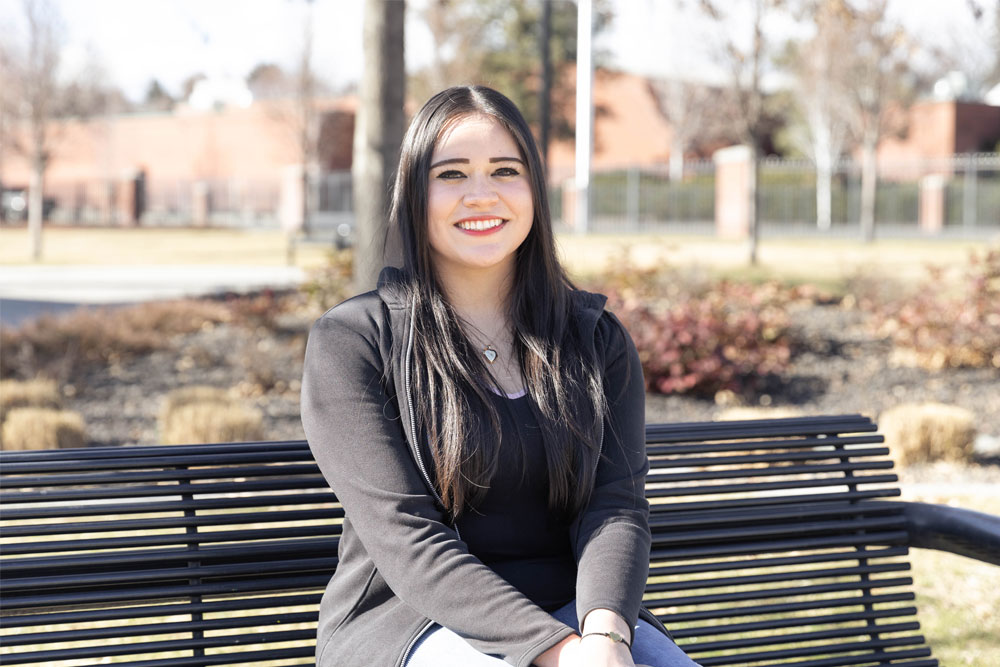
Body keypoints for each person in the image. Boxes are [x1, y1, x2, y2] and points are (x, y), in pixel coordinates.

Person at [301, 85, 701, 667]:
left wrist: (607, 636)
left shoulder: (594, 339)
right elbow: (406, 535)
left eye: (505, 170)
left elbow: (615, 506)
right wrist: (557, 653)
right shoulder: (355, 343)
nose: (481, 195)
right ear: (414, 193)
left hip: (578, 615)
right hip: (410, 624)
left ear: (534, 190)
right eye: (452, 175)